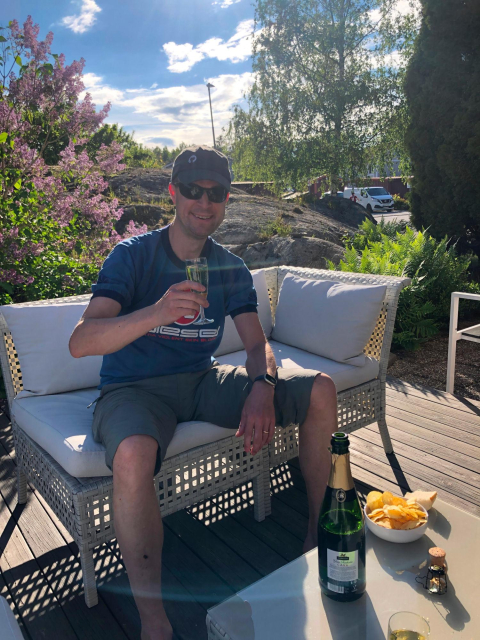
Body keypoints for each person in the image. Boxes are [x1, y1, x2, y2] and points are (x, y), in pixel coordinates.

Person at [69, 145, 337, 640]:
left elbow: (258, 345)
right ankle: (155, 622)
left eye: (215, 193)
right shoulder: (133, 257)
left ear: (226, 200)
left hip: (202, 379)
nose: (203, 201)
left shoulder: (230, 268)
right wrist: (155, 313)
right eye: (193, 190)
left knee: (321, 389)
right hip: (133, 390)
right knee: (130, 455)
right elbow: (81, 341)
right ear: (173, 194)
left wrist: (262, 386)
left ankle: (317, 532)